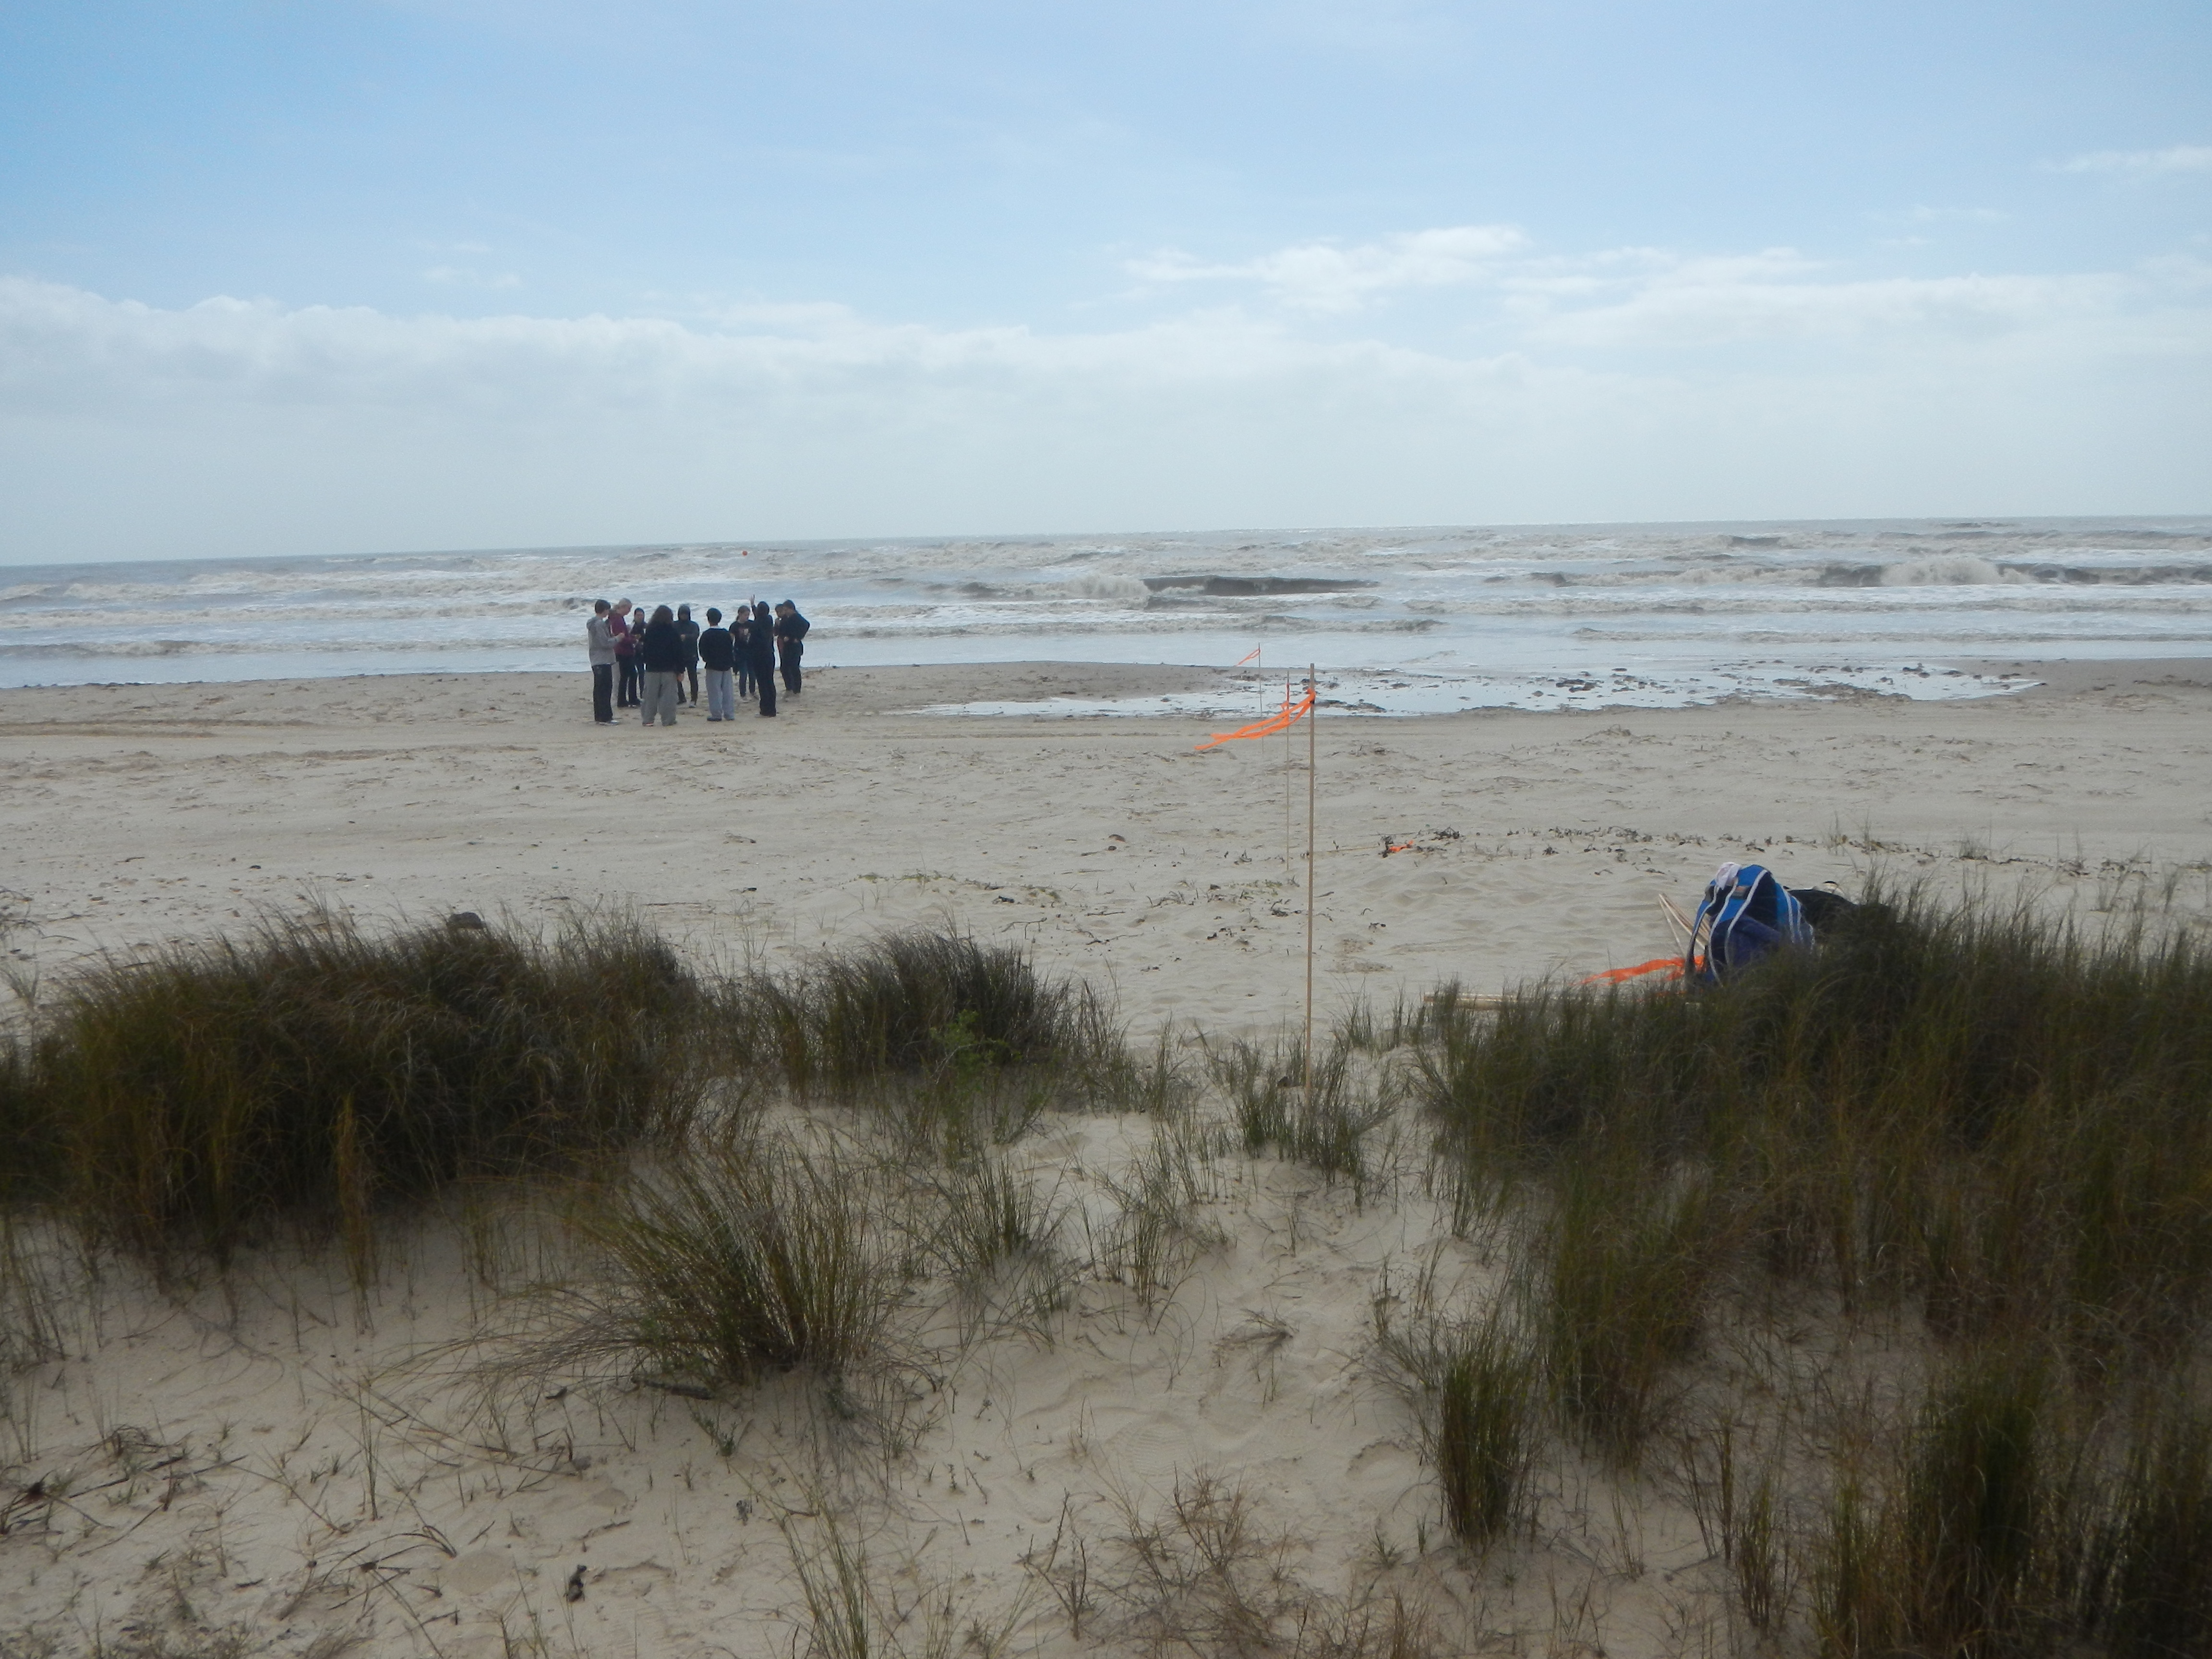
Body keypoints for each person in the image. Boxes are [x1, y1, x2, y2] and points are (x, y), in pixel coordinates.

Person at [638, 604, 684, 726]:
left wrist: (645, 661)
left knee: (650, 695)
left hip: (652, 667)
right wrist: (680, 670)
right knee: (669, 696)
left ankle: (648, 719)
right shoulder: (673, 630)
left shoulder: (650, 629)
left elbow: (645, 648)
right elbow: (678, 651)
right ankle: (668, 720)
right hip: (669, 667)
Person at [698, 607, 736, 721]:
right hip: (726, 665)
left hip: (713, 666)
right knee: (728, 691)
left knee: (714, 691)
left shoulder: (706, 635)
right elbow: (731, 649)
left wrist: (707, 659)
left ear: (709, 619)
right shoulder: (726, 634)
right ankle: (729, 714)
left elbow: (703, 651)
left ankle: (716, 714)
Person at [586, 599, 617, 723]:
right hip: (602, 660)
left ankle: (599, 716)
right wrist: (617, 639)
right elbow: (604, 643)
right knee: (605, 688)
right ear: (604, 610)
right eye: (608, 610)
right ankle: (606, 717)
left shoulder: (595, 624)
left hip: (596, 659)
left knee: (599, 689)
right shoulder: (599, 624)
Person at [773, 600, 809, 696]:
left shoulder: (797, 617)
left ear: (791, 609)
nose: (785, 612)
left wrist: (798, 637)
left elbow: (806, 625)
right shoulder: (786, 618)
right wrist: (777, 625)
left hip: (795, 646)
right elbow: (780, 632)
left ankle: (797, 690)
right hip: (787, 646)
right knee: (784, 667)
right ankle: (789, 687)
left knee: (794, 667)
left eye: (786, 610)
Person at [749, 600, 778, 716]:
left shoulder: (755, 625)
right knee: (770, 681)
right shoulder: (769, 620)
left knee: (762, 683)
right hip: (770, 655)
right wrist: (753, 606)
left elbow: (752, 643)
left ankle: (765, 710)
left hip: (759, 657)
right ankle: (772, 709)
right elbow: (759, 617)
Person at [612, 599, 640, 708]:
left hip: (622, 651)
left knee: (626, 676)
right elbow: (621, 637)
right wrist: (633, 640)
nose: (629, 611)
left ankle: (624, 700)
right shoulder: (618, 620)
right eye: (628, 608)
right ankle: (628, 699)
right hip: (623, 652)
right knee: (630, 675)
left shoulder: (618, 619)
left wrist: (631, 637)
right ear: (622, 607)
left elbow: (624, 635)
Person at [675, 604, 702, 705]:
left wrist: (686, 637)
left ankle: (694, 699)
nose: (684, 616)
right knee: (677, 677)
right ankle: (681, 697)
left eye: (686, 614)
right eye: (682, 614)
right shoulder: (675, 625)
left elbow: (696, 635)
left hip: (691, 655)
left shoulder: (693, 625)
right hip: (679, 655)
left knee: (693, 677)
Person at [732, 606, 754, 699]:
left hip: (751, 652)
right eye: (745, 615)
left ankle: (752, 692)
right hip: (740, 652)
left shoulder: (751, 624)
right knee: (743, 673)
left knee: (753, 674)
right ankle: (743, 694)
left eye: (748, 615)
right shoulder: (735, 626)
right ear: (740, 614)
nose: (747, 617)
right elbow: (731, 640)